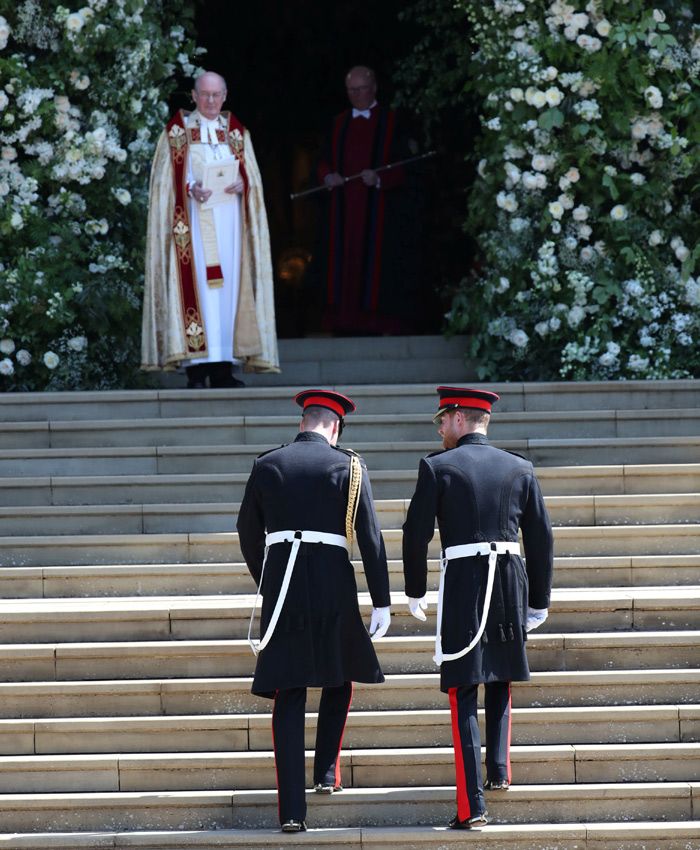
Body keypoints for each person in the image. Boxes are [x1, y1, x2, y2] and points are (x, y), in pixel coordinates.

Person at [237, 389, 392, 832]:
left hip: (282, 580)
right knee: (339, 675)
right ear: (336, 426)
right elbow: (370, 538)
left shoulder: (268, 463)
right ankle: (325, 772)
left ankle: (291, 811)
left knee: (289, 690)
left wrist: (266, 580)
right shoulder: (350, 466)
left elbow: (247, 529)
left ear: (303, 421)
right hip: (332, 579)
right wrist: (381, 599)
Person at [402, 386, 553, 829]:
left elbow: (416, 534)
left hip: (466, 580)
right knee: (500, 672)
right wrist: (539, 598)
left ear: (458, 418)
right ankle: (499, 770)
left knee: (464, 687)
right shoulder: (519, 467)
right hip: (510, 577)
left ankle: (472, 807)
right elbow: (541, 538)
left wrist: (415, 590)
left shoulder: (437, 466)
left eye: (441, 420)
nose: (439, 428)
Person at [141, 70, 279, 387]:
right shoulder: (177, 133)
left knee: (227, 295)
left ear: (225, 96)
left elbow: (252, 180)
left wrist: (244, 183)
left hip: (230, 228)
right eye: (205, 94)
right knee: (198, 292)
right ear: (194, 96)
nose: (211, 101)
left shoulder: (236, 133)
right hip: (191, 230)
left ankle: (222, 368)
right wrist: (190, 188)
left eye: (217, 95)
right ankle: (195, 368)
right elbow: (164, 183)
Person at [312, 65, 418, 335]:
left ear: (374, 88)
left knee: (379, 268)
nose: (357, 95)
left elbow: (410, 166)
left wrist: (382, 178)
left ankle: (380, 322)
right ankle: (343, 322)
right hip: (343, 213)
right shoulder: (338, 124)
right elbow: (321, 160)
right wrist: (327, 177)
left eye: (361, 89)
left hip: (381, 213)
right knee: (342, 265)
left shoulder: (394, 122)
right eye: (351, 90)